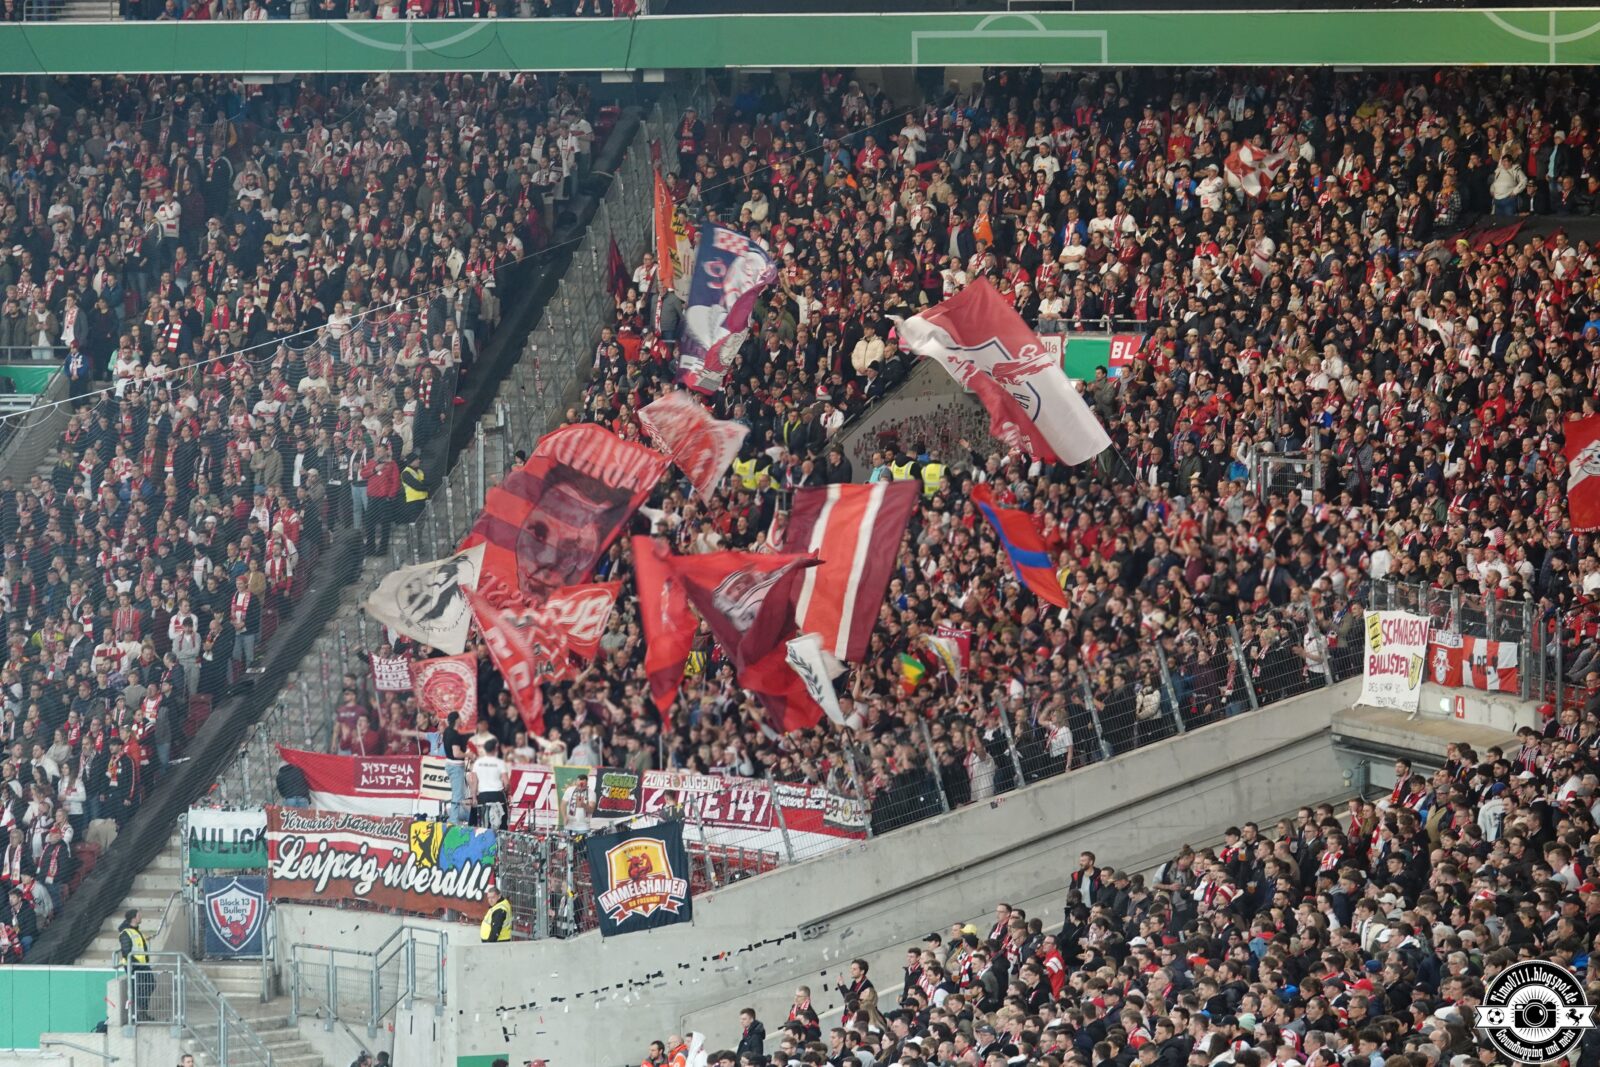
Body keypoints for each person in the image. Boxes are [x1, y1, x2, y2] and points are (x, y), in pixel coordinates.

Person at [118, 909, 152, 1021]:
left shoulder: (136, 931)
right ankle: (140, 1013)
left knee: (149, 985)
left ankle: (142, 1012)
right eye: (139, 915)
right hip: (134, 966)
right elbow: (126, 952)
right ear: (133, 918)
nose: (141, 917)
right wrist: (137, 964)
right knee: (141, 988)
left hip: (142, 965)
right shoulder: (126, 933)